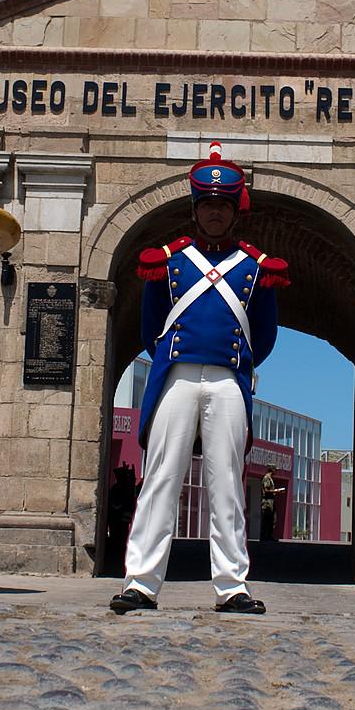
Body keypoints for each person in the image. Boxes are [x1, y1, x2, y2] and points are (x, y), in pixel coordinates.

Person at [110, 142, 288, 615]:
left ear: (235, 211)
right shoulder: (167, 261)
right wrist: (180, 362)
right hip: (177, 375)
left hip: (228, 378)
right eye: (207, 205)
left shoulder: (256, 267)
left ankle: (232, 586)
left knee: (226, 481)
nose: (214, 213)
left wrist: (235, 365)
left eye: (222, 206)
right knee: (161, 477)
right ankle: (141, 583)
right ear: (195, 209)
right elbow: (152, 328)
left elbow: (264, 335)